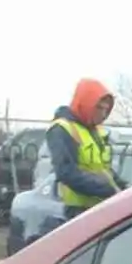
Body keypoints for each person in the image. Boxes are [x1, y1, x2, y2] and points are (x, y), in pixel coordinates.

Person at [44, 79, 121, 222]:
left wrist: (124, 187)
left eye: (106, 109)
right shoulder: (62, 129)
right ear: (85, 104)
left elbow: (104, 168)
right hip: (79, 212)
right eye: (99, 108)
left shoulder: (96, 130)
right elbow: (66, 173)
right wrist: (107, 190)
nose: (103, 114)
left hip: (101, 206)